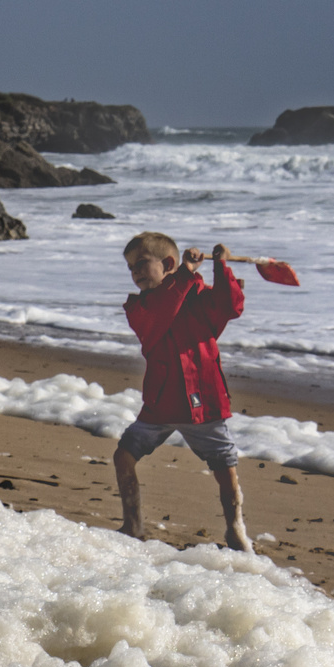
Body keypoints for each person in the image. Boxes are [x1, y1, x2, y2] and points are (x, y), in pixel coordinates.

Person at [114, 231, 252, 551]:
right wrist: (187, 274)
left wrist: (222, 267)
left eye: (141, 264)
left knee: (224, 467)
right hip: (161, 403)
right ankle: (132, 524)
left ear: (168, 263)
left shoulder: (198, 297)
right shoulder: (139, 307)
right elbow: (165, 309)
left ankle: (235, 528)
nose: (134, 272)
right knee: (124, 456)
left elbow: (232, 305)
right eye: (130, 267)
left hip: (203, 401)